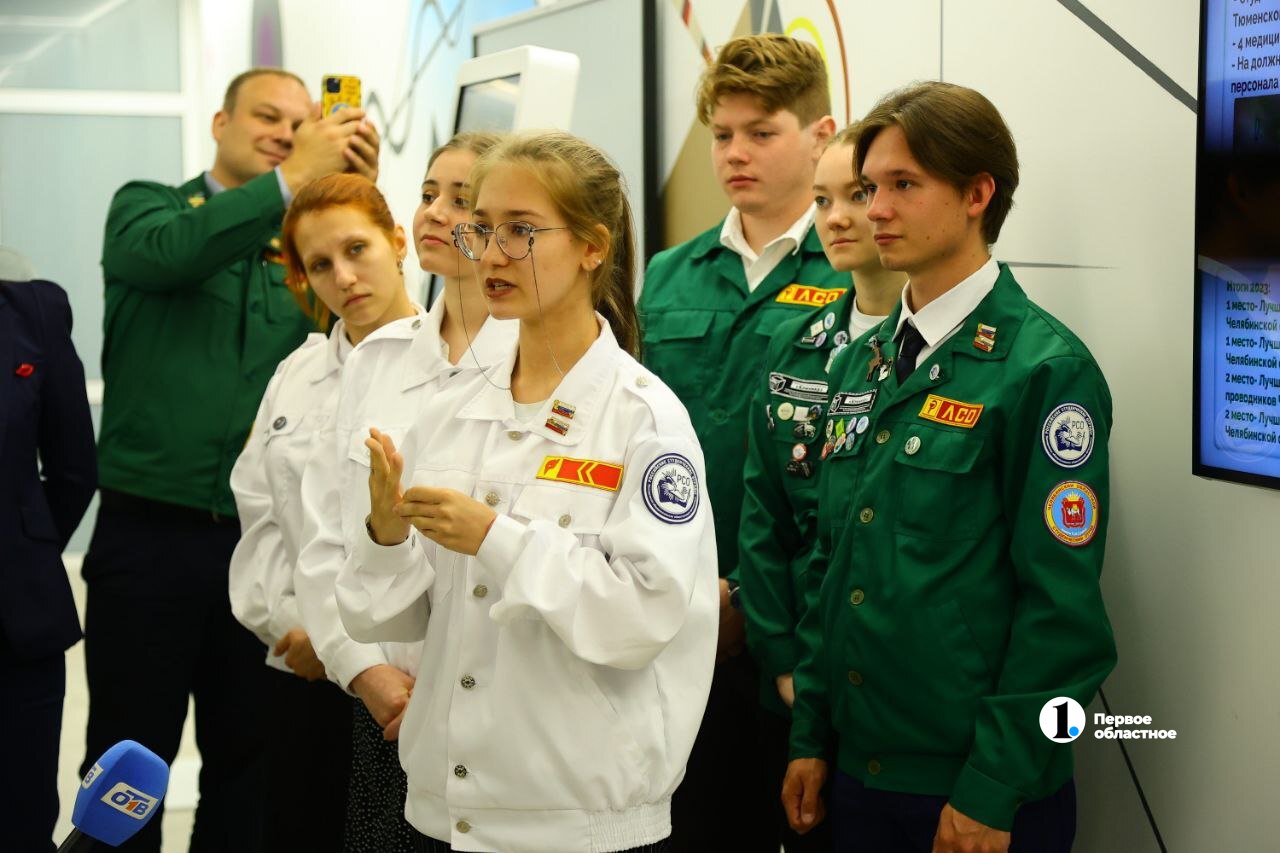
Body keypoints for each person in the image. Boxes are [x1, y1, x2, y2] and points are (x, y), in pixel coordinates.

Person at [336, 131, 718, 852]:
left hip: (580, 825)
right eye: (482, 228)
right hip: (443, 813)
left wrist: (496, 538)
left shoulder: (643, 417)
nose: (491, 254)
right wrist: (385, 536)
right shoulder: (451, 411)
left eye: (521, 231)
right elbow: (385, 621)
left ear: (592, 247)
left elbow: (642, 618)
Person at [781, 81, 1117, 853]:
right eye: (870, 187)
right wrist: (811, 733)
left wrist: (992, 788)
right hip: (856, 772)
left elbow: (1062, 617)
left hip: (976, 790)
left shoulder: (1043, 369)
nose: (876, 209)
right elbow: (832, 563)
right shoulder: (861, 363)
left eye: (904, 184)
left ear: (976, 194)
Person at [81, 67, 380, 851]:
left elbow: (365, 339)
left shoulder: (303, 252)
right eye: (267, 117)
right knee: (126, 757)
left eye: (301, 123)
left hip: (260, 550)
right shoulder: (149, 209)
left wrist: (348, 201)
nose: (286, 133)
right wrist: (290, 180)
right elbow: (170, 257)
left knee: (250, 763)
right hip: (149, 538)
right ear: (220, 123)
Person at [637, 33, 842, 851]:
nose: (735, 153)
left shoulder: (856, 271)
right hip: (675, 614)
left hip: (801, 620)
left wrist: (751, 598)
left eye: (762, 132)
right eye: (722, 134)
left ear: (822, 135)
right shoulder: (669, 273)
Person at [294, 132, 514, 852]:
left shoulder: (538, 364)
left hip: (499, 708)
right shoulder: (377, 359)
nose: (434, 213)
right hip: (386, 703)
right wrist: (364, 671)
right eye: (426, 194)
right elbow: (324, 540)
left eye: (462, 199)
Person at [229, 172, 421, 851]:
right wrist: (302, 627)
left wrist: (358, 651)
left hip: (403, 680)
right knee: (296, 830)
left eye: (356, 249)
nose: (343, 277)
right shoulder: (298, 374)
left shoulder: (449, 365)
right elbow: (260, 514)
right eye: (319, 265)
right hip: (302, 668)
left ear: (397, 241)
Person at [737, 122, 907, 850]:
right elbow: (763, 517)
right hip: (798, 674)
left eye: (858, 195)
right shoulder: (794, 344)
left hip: (896, 677)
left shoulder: (937, 351)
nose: (837, 217)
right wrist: (781, 661)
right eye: (822, 199)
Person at [0, 278, 96, 853]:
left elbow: (74, 470)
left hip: (16, 629)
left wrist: (18, 553)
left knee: (22, 818)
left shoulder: (33, 310)